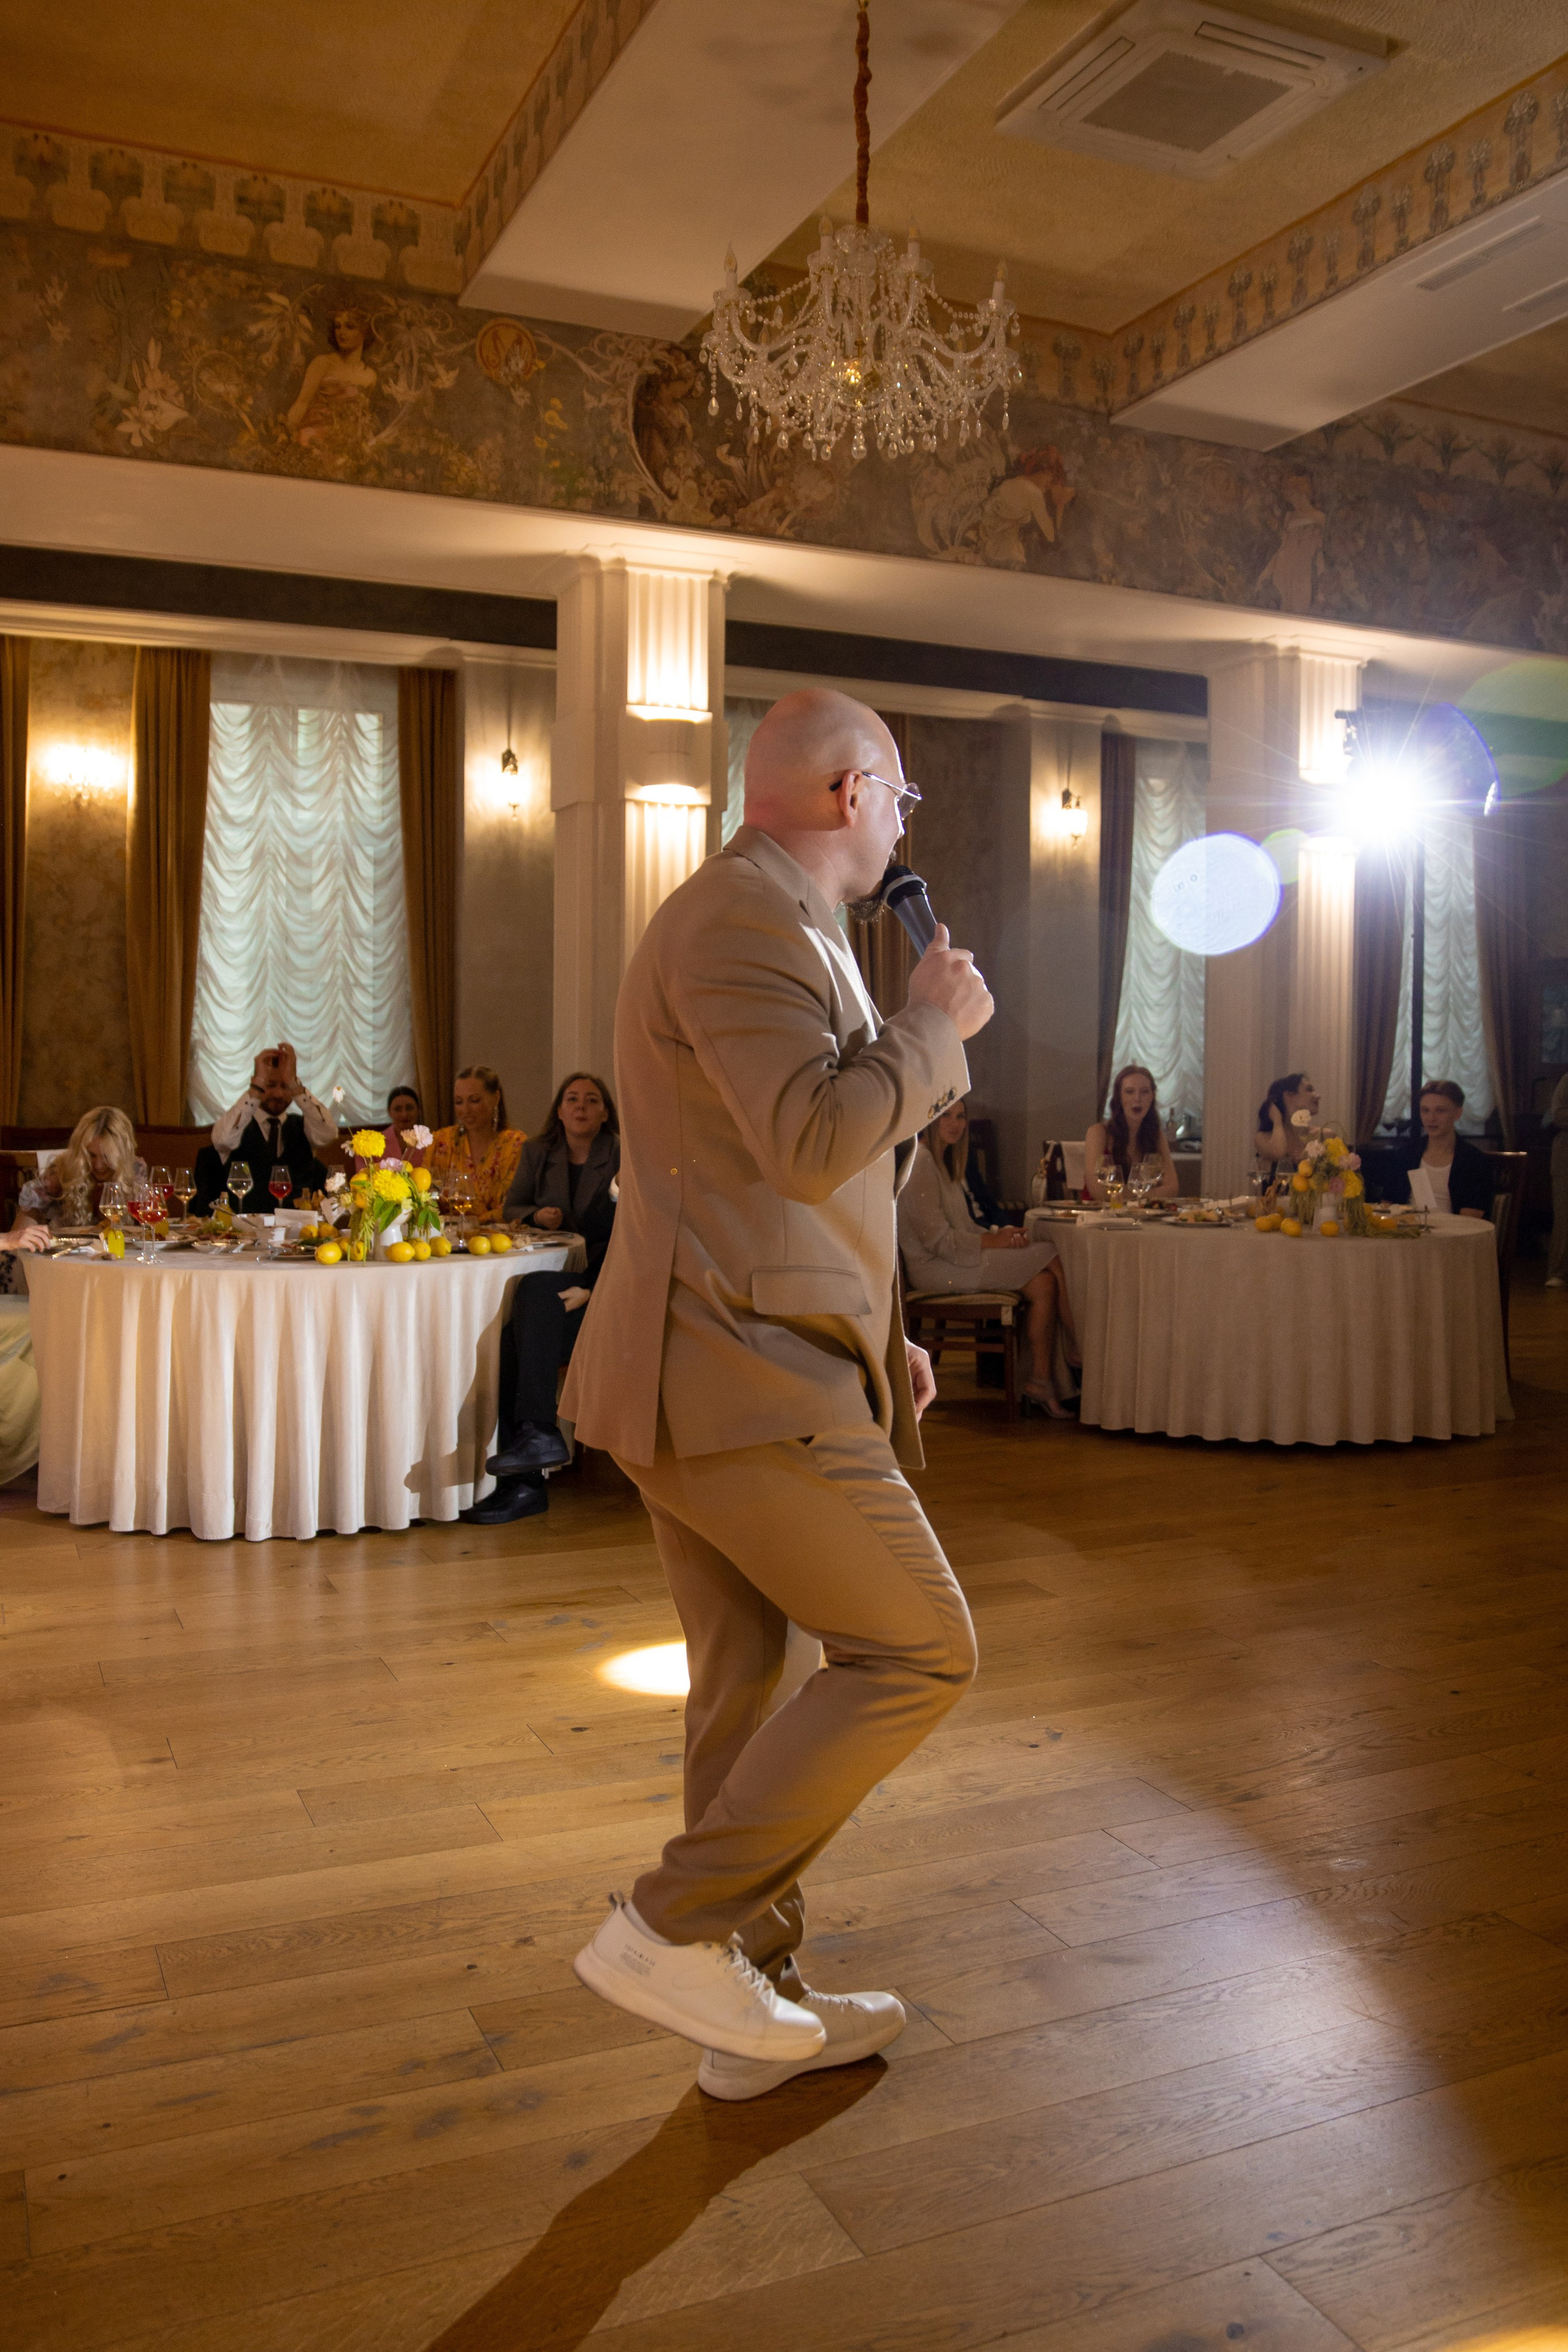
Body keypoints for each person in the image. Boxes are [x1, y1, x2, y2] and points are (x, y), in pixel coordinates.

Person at [564, 685, 987, 2100]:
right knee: (917, 1646)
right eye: (902, 793)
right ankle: (669, 1927)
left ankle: (744, 2000)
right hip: (729, 1369)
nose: (904, 820)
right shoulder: (740, 915)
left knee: (747, 1687)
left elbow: (796, 1178)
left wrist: (883, 1329)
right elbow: (813, 1135)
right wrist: (930, 1029)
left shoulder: (791, 923)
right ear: (851, 791)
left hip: (748, 1347)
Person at [462, 1073, 621, 1526]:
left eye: (592, 1100)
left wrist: (595, 1287)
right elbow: (515, 1208)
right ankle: (535, 1449)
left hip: (610, 1292)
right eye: (572, 1099)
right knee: (517, 1332)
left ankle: (527, 1478)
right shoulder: (540, 1151)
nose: (581, 1107)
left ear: (606, 1112)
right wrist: (535, 1215)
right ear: (559, 1109)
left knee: (526, 1315)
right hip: (563, 1285)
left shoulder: (625, 1156)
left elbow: (642, 1239)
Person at [899, 1099, 1078, 1417]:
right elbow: (936, 1240)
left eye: (961, 1116)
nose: (955, 1124)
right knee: (1049, 1252)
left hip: (953, 1260)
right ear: (929, 1119)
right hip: (935, 1269)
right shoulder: (922, 1160)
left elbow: (965, 1226)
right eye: (946, 1117)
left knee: (1043, 1285)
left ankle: (1041, 1382)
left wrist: (1003, 1233)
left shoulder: (946, 1161)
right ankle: (1076, 1343)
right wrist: (992, 1242)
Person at [193, 1044, 333, 1213]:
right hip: (244, 1232)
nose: (278, 1094)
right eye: (271, 1085)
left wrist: (296, 1087)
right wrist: (256, 1087)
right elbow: (222, 1139)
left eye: (285, 1086)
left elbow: (329, 1134)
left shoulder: (305, 1126)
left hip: (298, 1233)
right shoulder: (237, 1125)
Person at [15, 1107, 144, 1233]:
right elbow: (20, 1236)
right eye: (91, 1155)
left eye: (107, 1157)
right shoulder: (63, 1170)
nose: (98, 1166)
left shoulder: (135, 1170)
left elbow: (147, 1231)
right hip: (69, 1252)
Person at [428, 1066, 525, 1222]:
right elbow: (425, 1199)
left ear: (496, 1098)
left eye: (474, 1101)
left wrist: (476, 1223)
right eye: (459, 1102)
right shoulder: (441, 1142)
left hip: (500, 1240)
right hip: (448, 1239)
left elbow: (514, 1207)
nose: (465, 1110)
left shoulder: (515, 1145)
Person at [1391, 1080, 1492, 1218]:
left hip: (1453, 1235)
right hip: (1407, 1232)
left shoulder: (1474, 1161)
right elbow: (1388, 1205)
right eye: (1425, 1110)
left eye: (1440, 1111)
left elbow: (1471, 1219)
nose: (1431, 1118)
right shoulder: (1406, 1154)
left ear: (1457, 1114)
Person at [1085, 1065, 1179, 1202]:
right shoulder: (1099, 1133)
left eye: (1145, 1092)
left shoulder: (1156, 1136)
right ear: (1119, 1097)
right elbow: (1097, 1190)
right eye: (1129, 1092)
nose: (1137, 1099)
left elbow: (1172, 1189)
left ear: (1152, 1096)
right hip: (1100, 1216)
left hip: (1141, 1218)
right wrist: (1142, 1196)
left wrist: (1132, 1197)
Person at [1255, 1071, 1321, 1175]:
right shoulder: (1263, 1138)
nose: (1318, 1096)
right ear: (1289, 1096)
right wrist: (1277, 1121)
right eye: (1309, 1090)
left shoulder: (1325, 1136)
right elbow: (1278, 1153)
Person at [1547, 1069, 1568, 1288]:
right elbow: (1558, 1115)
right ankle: (1558, 1272)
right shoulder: (1567, 1080)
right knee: (1564, 1218)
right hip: (1565, 1160)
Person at [382, 1085, 428, 1166]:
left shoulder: (428, 1142)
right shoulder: (376, 1143)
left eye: (410, 1108)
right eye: (398, 1109)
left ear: (418, 1110)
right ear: (389, 1112)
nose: (404, 1115)